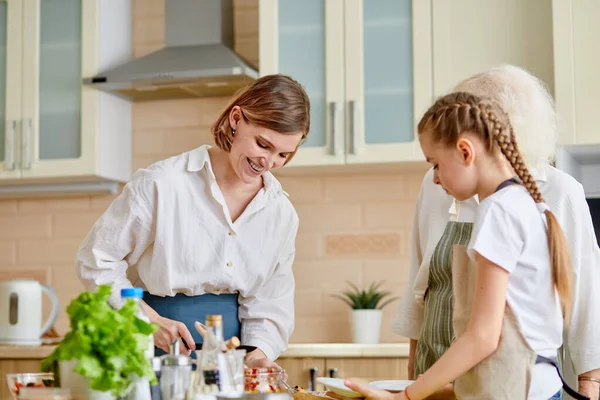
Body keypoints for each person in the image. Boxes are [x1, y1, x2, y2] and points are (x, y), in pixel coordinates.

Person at [392, 65, 600, 399]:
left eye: (435, 164)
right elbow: (421, 287)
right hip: (498, 382)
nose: (434, 176)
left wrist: (407, 395)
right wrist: (416, 379)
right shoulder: (525, 201)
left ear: (467, 148)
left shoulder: (507, 207)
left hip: (504, 384)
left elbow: (484, 336)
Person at [75, 74, 310, 368]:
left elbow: (270, 299)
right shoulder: (162, 184)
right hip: (152, 352)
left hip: (232, 363)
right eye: (263, 144)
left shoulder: (281, 213)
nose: (269, 162)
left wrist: (259, 354)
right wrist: (147, 320)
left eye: (283, 154)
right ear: (236, 119)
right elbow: (96, 261)